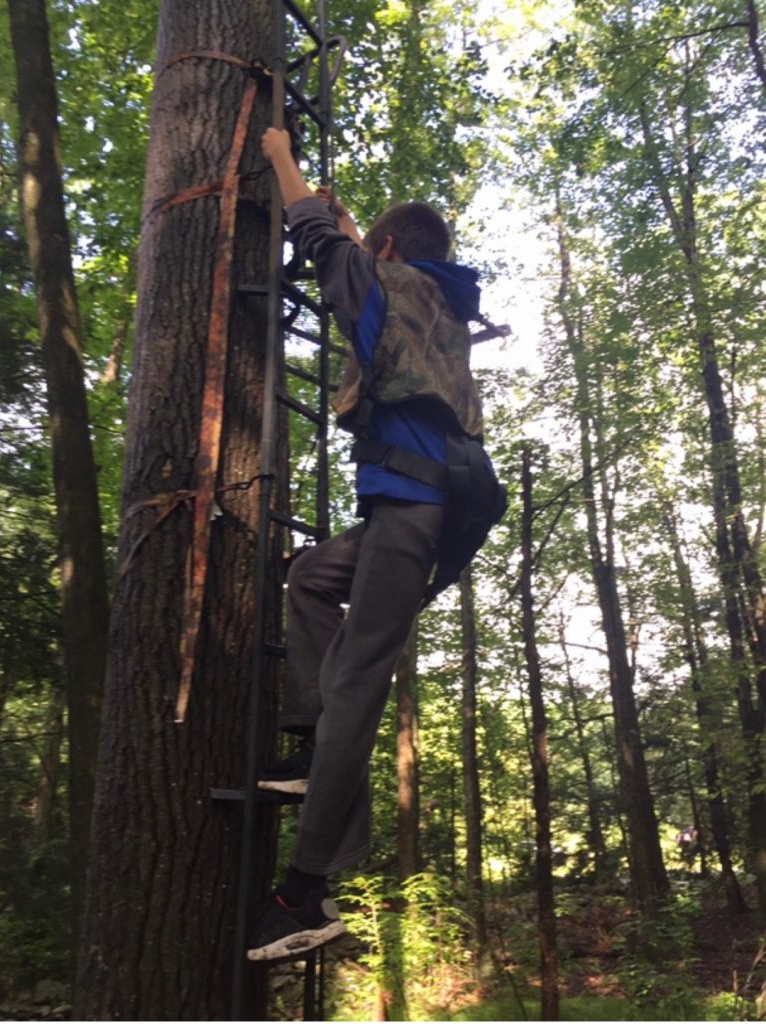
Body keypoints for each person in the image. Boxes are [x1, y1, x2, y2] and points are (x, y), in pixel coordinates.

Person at [247, 126, 494, 962]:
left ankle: (303, 895)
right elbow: (352, 257)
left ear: (387, 249)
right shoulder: (435, 302)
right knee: (312, 577)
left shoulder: (389, 284)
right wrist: (359, 236)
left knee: (358, 680)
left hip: (410, 516)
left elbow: (320, 239)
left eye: (371, 249)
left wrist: (282, 155)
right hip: (406, 514)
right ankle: (320, 752)